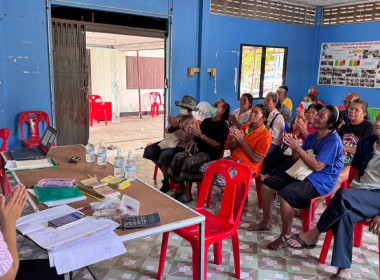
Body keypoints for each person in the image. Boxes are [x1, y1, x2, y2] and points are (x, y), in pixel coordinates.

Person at [283, 113, 380, 280]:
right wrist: (354, 192)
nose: (378, 123)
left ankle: (314, 233)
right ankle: (343, 271)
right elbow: (354, 174)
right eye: (378, 119)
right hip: (359, 194)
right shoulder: (367, 142)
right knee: (344, 215)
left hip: (377, 197)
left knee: (342, 195)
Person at [249, 105, 344, 250]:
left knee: (285, 194)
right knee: (267, 184)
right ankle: (266, 221)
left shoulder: (333, 141)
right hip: (302, 172)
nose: (316, 117)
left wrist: (298, 148)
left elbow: (318, 166)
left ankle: (285, 236)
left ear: (331, 124)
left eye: (321, 116)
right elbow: (296, 159)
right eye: (317, 114)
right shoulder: (312, 136)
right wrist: (294, 147)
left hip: (320, 181)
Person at [168, 99, 230, 203]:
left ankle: (188, 194)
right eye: (213, 104)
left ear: (222, 111)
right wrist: (194, 133)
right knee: (178, 156)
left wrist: (200, 136)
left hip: (210, 155)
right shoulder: (206, 122)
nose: (213, 107)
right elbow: (197, 137)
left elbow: (217, 145)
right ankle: (181, 188)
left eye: (216, 105)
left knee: (189, 161)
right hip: (198, 151)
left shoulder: (223, 125)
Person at [143, 95, 199, 193]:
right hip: (169, 142)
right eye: (182, 107)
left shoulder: (192, 121)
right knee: (149, 150)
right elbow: (168, 131)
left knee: (164, 155)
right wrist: (172, 127)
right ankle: (168, 174)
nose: (182, 109)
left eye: (185, 108)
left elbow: (186, 137)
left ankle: (166, 182)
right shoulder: (178, 117)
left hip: (182, 146)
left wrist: (176, 126)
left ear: (190, 109)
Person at [261, 103, 323, 176]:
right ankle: (260, 174)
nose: (310, 115)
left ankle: (269, 177)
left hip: (301, 153)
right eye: (309, 112)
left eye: (313, 113)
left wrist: (304, 130)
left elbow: (312, 143)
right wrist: (299, 131)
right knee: (271, 158)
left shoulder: (318, 129)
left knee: (286, 163)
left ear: (318, 115)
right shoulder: (303, 123)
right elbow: (290, 136)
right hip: (289, 148)